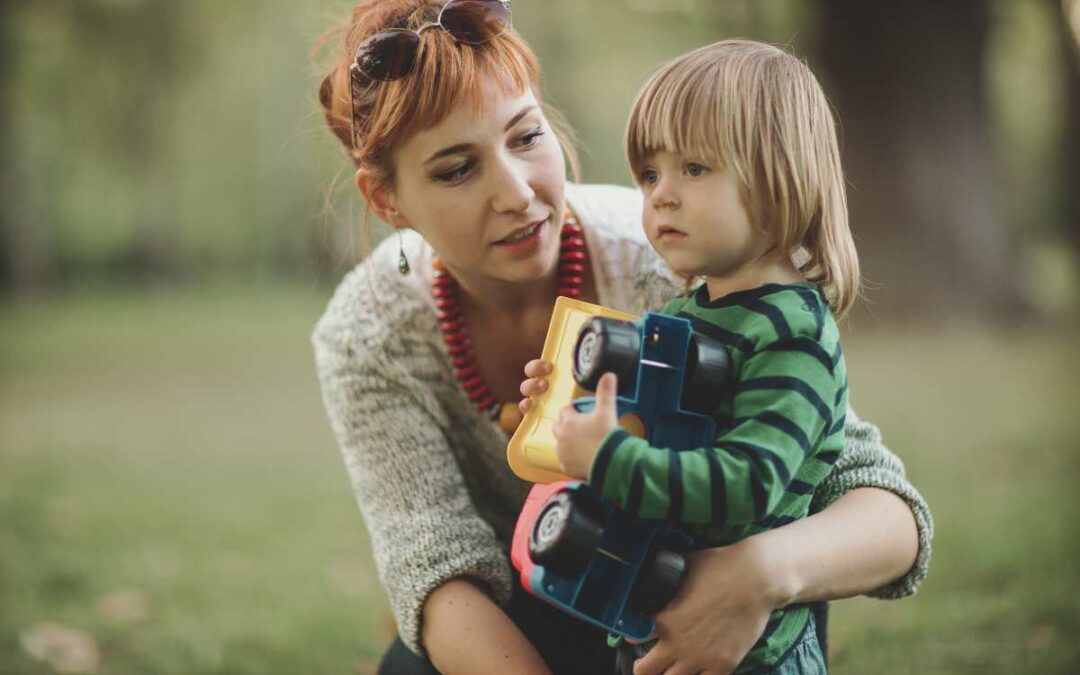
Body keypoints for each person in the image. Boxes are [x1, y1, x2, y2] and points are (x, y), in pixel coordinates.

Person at [311, 2, 933, 674]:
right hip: (529, 615)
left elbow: (885, 513)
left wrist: (755, 574)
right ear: (387, 200)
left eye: (525, 137)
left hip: (701, 597)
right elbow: (433, 568)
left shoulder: (673, 262)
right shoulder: (367, 334)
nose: (517, 193)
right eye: (457, 169)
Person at [529, 39, 859, 674]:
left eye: (694, 169)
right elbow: (655, 435)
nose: (660, 196)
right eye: (650, 174)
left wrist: (610, 458)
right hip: (651, 627)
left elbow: (749, 484)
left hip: (749, 656)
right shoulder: (684, 314)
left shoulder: (792, 334)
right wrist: (569, 407)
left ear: (780, 173)